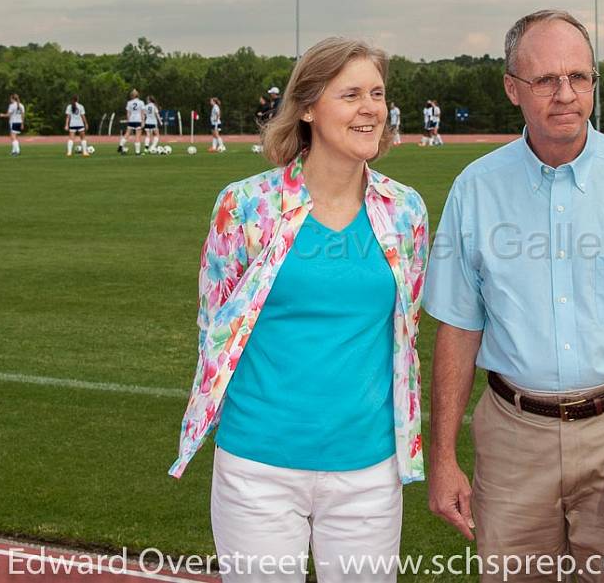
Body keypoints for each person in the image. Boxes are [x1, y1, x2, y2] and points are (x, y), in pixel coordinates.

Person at [424, 9, 604, 583]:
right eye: (546, 80)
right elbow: (459, 330)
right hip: (514, 441)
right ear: (512, 88)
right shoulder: (475, 189)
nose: (566, 94)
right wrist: (442, 460)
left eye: (579, 77)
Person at [169, 37, 428, 583]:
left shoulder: (404, 210)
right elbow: (215, 326)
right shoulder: (245, 206)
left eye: (377, 94)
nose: (370, 109)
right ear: (308, 106)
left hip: (369, 469)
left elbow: (407, 327)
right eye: (351, 93)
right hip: (257, 467)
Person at [121, 90, 146, 155]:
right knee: (138, 136)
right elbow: (142, 113)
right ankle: (137, 152)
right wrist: (143, 121)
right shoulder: (141, 102)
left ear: (132, 96)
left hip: (131, 120)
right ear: (138, 95)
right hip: (138, 120)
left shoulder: (129, 102)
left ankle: (121, 145)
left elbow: (128, 113)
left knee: (127, 134)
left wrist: (128, 120)